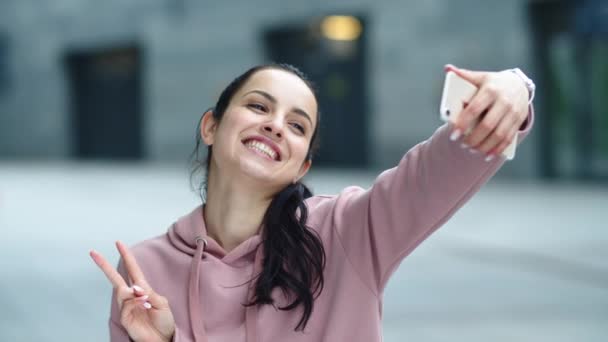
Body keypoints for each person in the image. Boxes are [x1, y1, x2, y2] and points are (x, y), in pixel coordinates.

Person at [90, 62, 535, 342]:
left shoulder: (350, 232)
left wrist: (513, 91)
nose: (276, 126)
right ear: (211, 126)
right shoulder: (143, 270)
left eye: (298, 126)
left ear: (301, 166)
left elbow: (444, 166)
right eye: (259, 107)